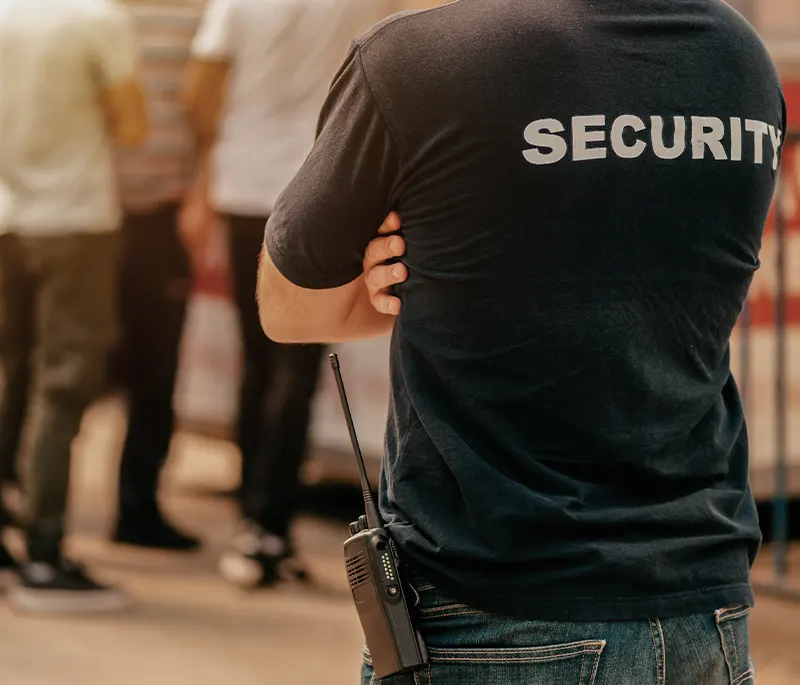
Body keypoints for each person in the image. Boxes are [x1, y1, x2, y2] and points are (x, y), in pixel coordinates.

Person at [256, 1, 785, 683]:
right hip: (704, 609)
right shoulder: (737, 56)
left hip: (493, 609)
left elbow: (286, 305)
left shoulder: (417, 59)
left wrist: (420, 280)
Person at [181, 0, 401, 588]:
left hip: (242, 183)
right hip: (316, 188)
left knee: (258, 357)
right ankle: (268, 522)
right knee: (298, 363)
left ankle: (250, 514)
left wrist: (212, 153)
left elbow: (199, 89)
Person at [0, 0, 147, 611]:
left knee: (13, 372)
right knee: (63, 385)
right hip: (76, 218)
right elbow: (132, 125)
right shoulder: (97, 20)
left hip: (6, 217)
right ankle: (43, 553)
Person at [111, 0, 206, 552]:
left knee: (154, 370)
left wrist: (200, 191)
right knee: (68, 372)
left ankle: (136, 508)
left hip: (164, 217)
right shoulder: (95, 14)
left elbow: (210, 112)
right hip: (91, 214)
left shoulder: (202, 14)